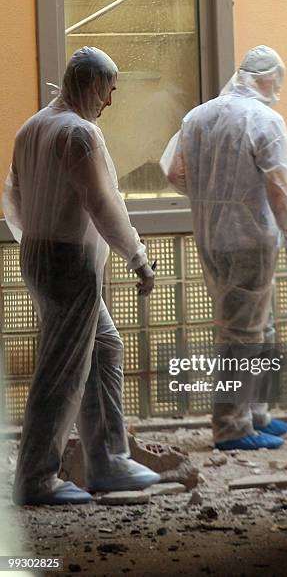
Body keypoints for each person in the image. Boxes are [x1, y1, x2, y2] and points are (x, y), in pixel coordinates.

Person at [2, 47, 160, 505]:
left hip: (40, 253)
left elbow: (14, 195)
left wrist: (34, 244)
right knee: (63, 371)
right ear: (92, 85)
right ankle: (36, 479)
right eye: (109, 90)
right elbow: (102, 203)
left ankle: (109, 460)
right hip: (70, 262)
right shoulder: (80, 134)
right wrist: (137, 257)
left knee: (104, 347)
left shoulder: (33, 127)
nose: (109, 101)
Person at [162, 45, 287, 451]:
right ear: (270, 78)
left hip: (210, 235)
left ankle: (257, 412)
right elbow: (280, 188)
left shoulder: (198, 115)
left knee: (255, 325)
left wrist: (211, 197)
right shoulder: (266, 120)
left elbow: (174, 170)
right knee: (244, 335)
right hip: (252, 237)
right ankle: (231, 425)